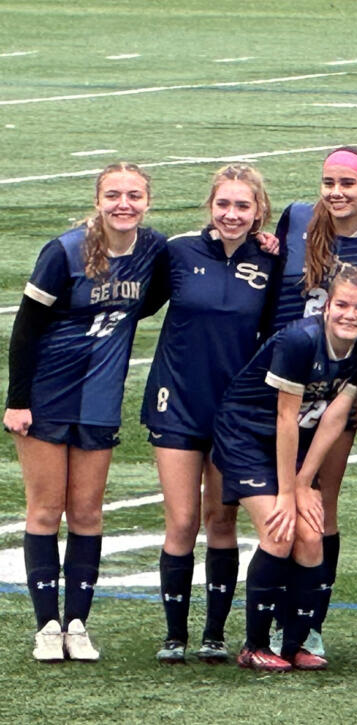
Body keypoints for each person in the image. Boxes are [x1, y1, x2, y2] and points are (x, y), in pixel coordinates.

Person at [6, 162, 166, 663]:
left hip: (99, 397)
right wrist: (17, 400)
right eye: (114, 194)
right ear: (98, 199)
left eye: (134, 195)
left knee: (88, 513)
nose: (124, 204)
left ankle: (77, 622)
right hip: (49, 392)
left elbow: (156, 296)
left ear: (147, 201)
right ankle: (46, 626)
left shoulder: (153, 249)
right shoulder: (64, 251)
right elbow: (26, 328)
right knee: (46, 510)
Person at [212, 264, 357, 672]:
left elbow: (332, 420)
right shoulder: (299, 340)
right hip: (247, 436)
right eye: (342, 304)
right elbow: (284, 419)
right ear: (327, 306)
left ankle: (293, 644)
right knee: (281, 529)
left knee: (312, 538)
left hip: (291, 444)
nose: (350, 315)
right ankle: (254, 645)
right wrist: (289, 492)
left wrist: (306, 482)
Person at [141, 164, 278, 664]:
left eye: (243, 206)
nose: (232, 214)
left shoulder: (270, 263)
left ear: (259, 210)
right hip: (176, 401)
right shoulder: (177, 251)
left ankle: (215, 634)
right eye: (224, 204)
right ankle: (174, 634)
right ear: (210, 206)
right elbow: (138, 303)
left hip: (235, 411)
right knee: (181, 521)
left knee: (221, 520)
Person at [270, 146, 357, 655]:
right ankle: (275, 618)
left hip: (335, 388)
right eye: (329, 182)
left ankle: (310, 623)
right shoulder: (297, 217)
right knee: (278, 505)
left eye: (348, 183)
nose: (336, 192)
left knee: (321, 503)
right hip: (283, 379)